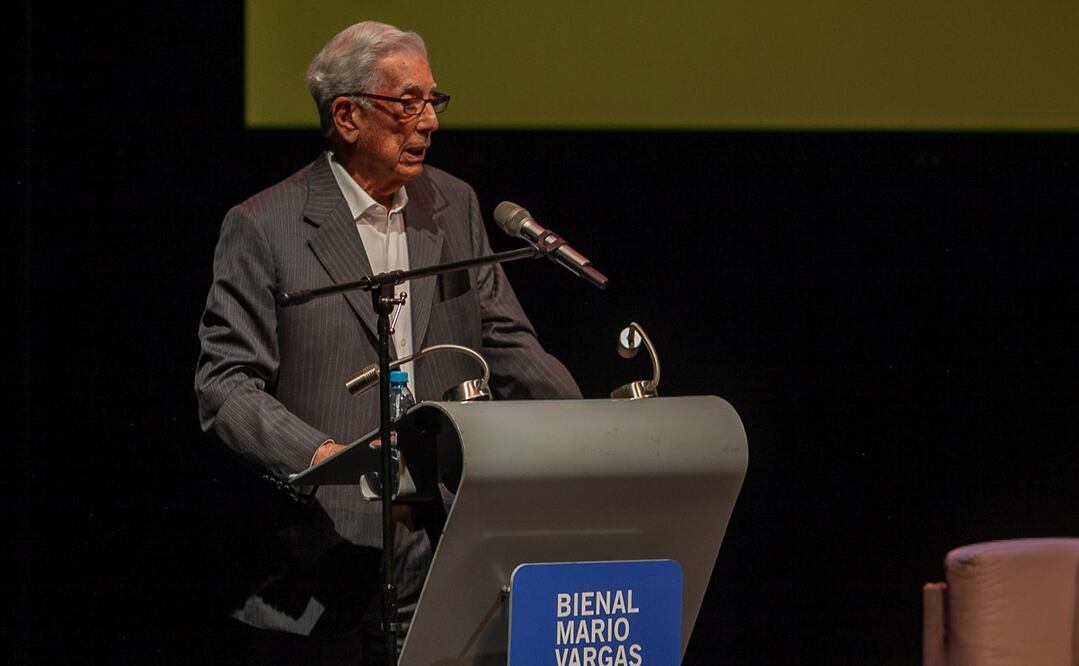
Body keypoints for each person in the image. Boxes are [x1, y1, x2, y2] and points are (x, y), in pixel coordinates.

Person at [194, 19, 580, 665]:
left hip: (446, 537)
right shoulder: (265, 225)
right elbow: (225, 384)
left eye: (433, 101)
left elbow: (505, 339)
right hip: (327, 547)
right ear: (346, 116)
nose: (428, 121)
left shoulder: (451, 203)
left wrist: (585, 423)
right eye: (408, 103)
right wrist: (322, 455)